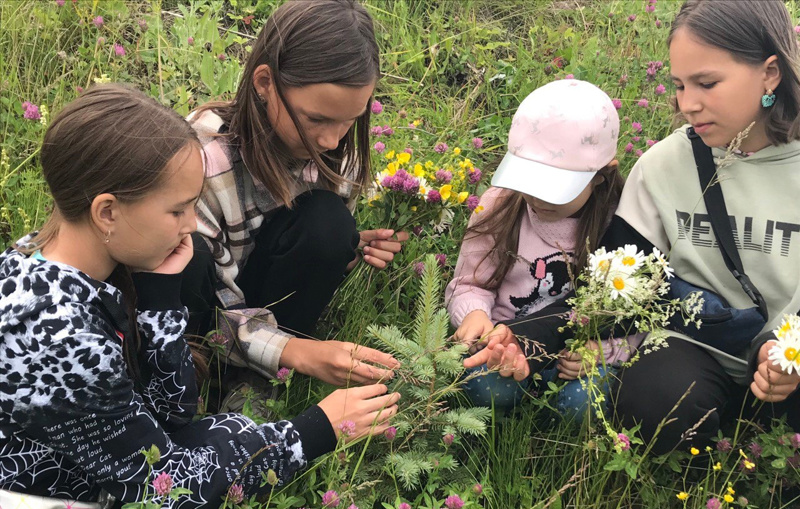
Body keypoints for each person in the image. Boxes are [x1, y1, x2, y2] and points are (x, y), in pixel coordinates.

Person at [0, 85, 399, 509]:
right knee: (220, 456)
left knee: (219, 435)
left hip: (72, 482)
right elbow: (165, 489)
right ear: (107, 212)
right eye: (178, 210)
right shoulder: (58, 335)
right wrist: (314, 430)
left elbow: (172, 411)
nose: (192, 224)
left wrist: (163, 292)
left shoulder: (43, 261)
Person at [467, 0, 800, 453]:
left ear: (770, 73)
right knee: (650, 400)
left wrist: (779, 352)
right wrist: (521, 338)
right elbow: (613, 295)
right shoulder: (664, 166)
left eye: (707, 82)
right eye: (680, 85)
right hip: (698, 344)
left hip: (788, 350)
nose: (688, 104)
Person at [182, 0, 409, 398]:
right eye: (316, 119)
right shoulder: (198, 163)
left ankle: (254, 386)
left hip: (264, 317)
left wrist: (342, 251)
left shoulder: (339, 156)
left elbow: (303, 250)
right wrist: (299, 351)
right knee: (190, 257)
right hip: (198, 317)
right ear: (265, 82)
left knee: (330, 224)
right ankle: (200, 381)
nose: (331, 140)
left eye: (349, 121)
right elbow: (203, 298)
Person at [446, 79, 642, 418]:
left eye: (555, 187)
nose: (537, 198)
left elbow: (638, 315)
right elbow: (470, 283)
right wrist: (475, 315)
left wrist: (603, 351)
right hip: (505, 345)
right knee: (482, 385)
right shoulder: (500, 207)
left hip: (577, 358)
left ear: (601, 175)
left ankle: (553, 412)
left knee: (582, 405)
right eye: (528, 181)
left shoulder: (623, 224)